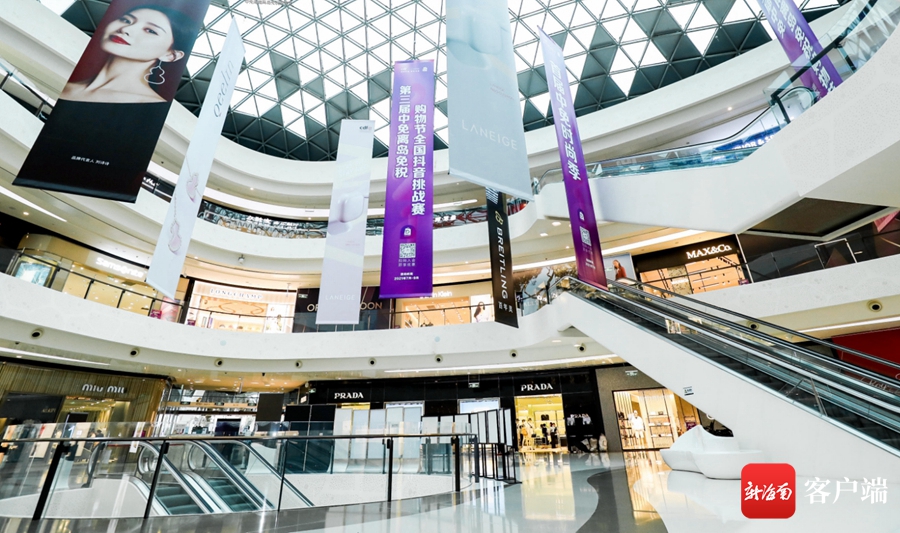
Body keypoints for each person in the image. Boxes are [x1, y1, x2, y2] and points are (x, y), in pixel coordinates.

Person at [61, 5, 194, 104]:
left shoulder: (149, 106)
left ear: (170, 55)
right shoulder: (67, 85)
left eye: (150, 30)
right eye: (126, 20)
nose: (125, 29)